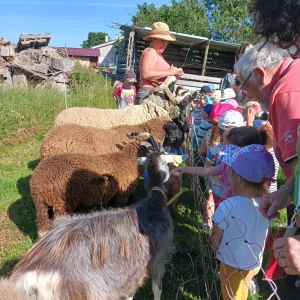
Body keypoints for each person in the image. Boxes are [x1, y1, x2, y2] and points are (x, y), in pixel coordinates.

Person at [235, 41, 300, 274]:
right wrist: (288, 191)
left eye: (245, 85)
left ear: (260, 74)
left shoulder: (286, 93)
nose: (247, 93)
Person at [211, 144, 275, 300]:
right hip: (254, 262)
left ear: (237, 179)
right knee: (242, 288)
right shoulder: (269, 206)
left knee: (232, 295)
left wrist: (215, 250)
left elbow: (215, 237)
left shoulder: (227, 206)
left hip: (231, 263)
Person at [135, 22, 183, 104]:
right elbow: (146, 74)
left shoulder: (158, 55)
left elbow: (160, 76)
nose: (165, 44)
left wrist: (174, 75)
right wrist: (168, 72)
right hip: (148, 94)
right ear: (153, 39)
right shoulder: (150, 51)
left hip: (155, 94)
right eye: (162, 41)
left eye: (166, 41)